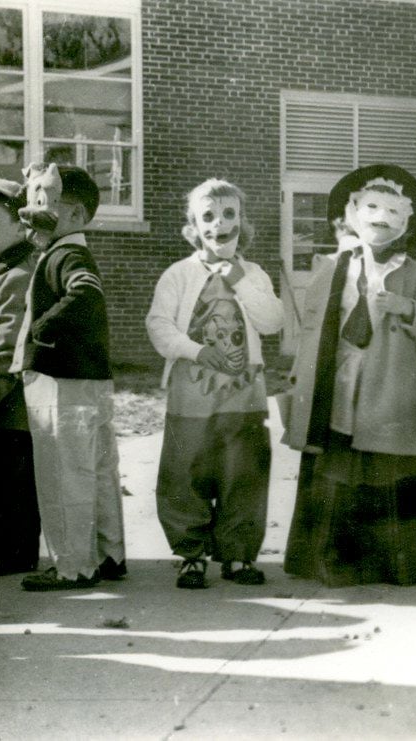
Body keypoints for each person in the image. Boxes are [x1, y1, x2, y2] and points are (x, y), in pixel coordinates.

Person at [283, 164, 416, 587]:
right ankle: (334, 559)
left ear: (406, 222)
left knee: (388, 470)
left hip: (393, 384)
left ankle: (393, 562)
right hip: (343, 380)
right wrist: (300, 379)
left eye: (392, 211)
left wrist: (408, 308)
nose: (381, 218)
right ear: (355, 213)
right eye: (372, 208)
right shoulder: (334, 267)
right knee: (340, 469)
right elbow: (313, 326)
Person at [146, 178, 284, 589]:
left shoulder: (254, 273)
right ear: (193, 226)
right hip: (193, 391)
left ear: (242, 222)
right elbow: (158, 324)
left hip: (244, 392)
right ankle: (191, 554)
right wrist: (193, 350)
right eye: (208, 216)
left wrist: (240, 278)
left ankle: (239, 553)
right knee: (186, 471)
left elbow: (272, 321)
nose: (219, 224)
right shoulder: (178, 274)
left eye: (228, 215)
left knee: (243, 471)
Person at [11, 164, 127, 591]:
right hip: (89, 377)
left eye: (45, 204)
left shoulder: (65, 255)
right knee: (97, 470)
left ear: (76, 216)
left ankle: (73, 565)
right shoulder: (68, 251)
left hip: (60, 379)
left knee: (63, 474)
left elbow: (85, 293)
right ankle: (108, 553)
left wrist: (41, 329)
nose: (32, 214)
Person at [0, 178, 40, 577]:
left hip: (5, 408)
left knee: (7, 486)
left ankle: (13, 555)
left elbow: (7, 349)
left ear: (21, 227)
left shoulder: (17, 275)